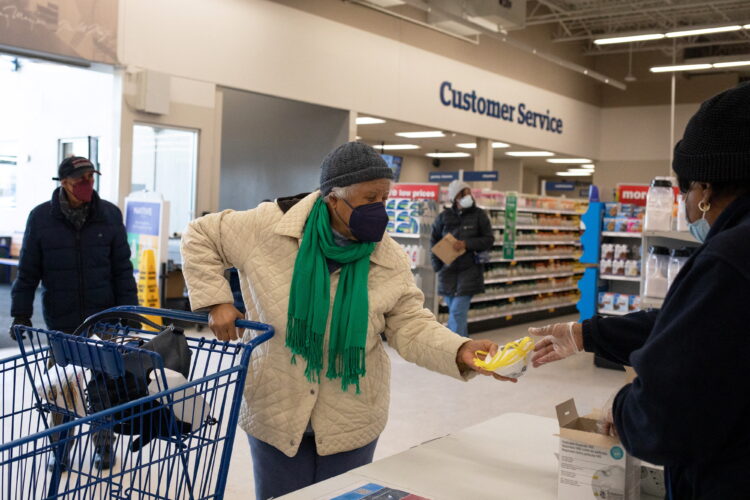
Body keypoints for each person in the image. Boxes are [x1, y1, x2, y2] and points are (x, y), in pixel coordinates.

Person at [180, 142, 513, 500]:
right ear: (333, 198)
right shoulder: (268, 227)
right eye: (370, 198)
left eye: (385, 199)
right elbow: (200, 235)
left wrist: (459, 348)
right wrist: (217, 301)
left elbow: (410, 324)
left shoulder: (388, 256)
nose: (380, 210)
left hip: (352, 414)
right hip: (276, 405)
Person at [530, 82, 750, 499]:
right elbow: (693, 330)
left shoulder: (731, 257)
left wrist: (621, 406)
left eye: (684, 191)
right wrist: (585, 335)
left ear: (703, 189)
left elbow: (663, 420)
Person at [9, 156, 138, 471]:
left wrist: (130, 313)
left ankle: (104, 447)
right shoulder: (41, 218)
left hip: (103, 318)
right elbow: (27, 273)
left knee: (103, 386)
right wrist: (20, 314)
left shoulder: (109, 215)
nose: (88, 185)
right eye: (81, 180)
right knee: (61, 390)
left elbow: (122, 269)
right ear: (64, 182)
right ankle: (61, 449)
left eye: (92, 178)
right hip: (62, 322)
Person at [430, 179, 494, 337]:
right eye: (463, 194)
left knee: (457, 313)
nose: (468, 197)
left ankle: (454, 352)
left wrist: (467, 244)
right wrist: (437, 267)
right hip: (447, 272)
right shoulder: (443, 217)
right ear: (454, 198)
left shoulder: (480, 215)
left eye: (468, 193)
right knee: (455, 314)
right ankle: (463, 349)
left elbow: (488, 240)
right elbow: (433, 241)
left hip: (470, 270)